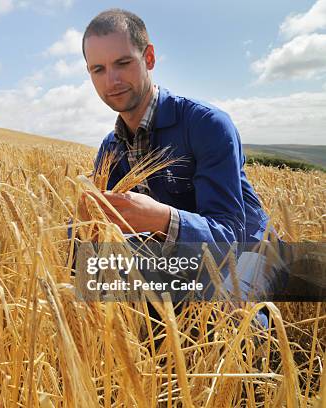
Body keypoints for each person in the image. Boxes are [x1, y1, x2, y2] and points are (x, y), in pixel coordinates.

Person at [76, 9, 286, 324]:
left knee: (233, 316)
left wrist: (160, 218)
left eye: (123, 63)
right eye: (98, 69)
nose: (112, 80)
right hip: (182, 255)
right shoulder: (110, 148)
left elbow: (229, 238)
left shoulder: (207, 125)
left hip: (247, 249)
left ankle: (258, 370)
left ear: (149, 58)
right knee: (94, 279)